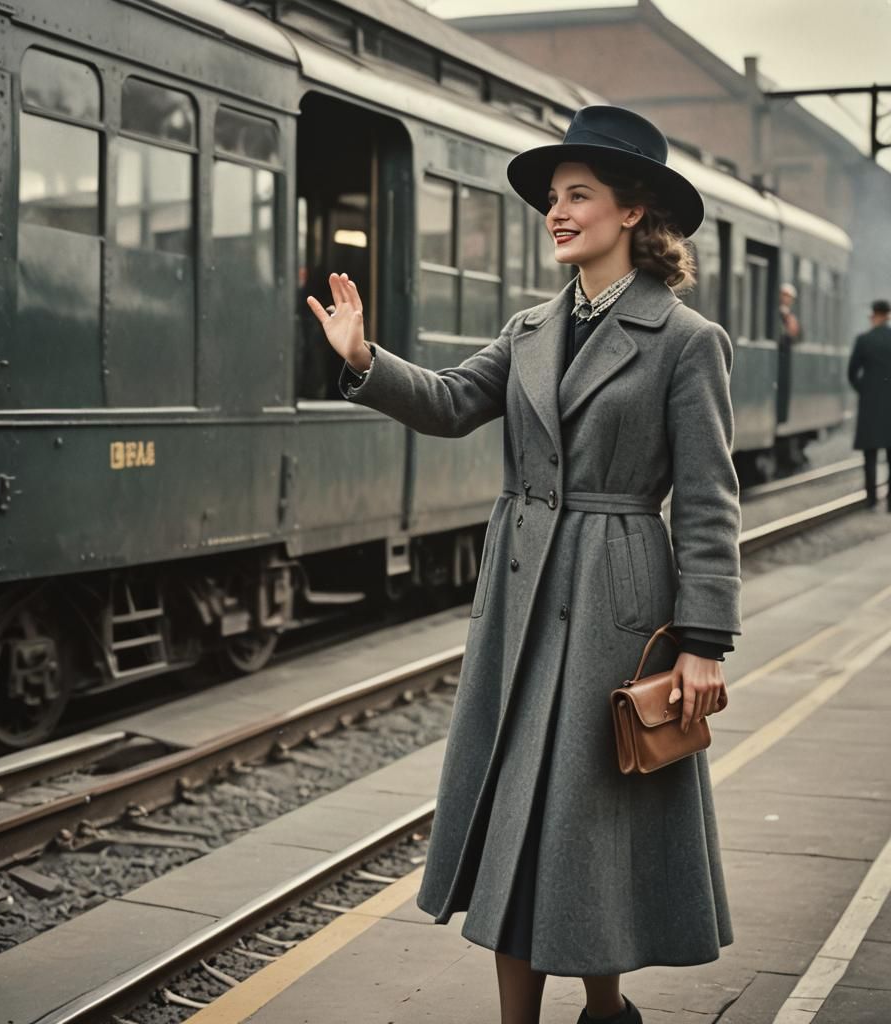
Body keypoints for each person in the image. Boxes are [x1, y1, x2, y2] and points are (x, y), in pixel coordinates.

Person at [308, 105, 740, 1024]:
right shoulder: (532, 327)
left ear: (632, 212)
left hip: (617, 597)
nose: (558, 212)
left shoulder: (687, 341)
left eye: (578, 195)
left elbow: (709, 498)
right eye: (553, 198)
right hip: (520, 589)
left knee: (590, 816)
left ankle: (606, 1010)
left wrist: (703, 639)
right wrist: (365, 360)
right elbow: (453, 401)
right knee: (517, 807)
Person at [847, 299, 891, 511]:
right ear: (888, 315)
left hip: (870, 406)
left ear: (875, 315)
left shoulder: (864, 340)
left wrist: (864, 390)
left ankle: (872, 499)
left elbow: (852, 373)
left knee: (870, 456)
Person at [777, 282, 800, 424]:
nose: (787, 299)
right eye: (785, 295)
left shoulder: (789, 315)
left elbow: (795, 335)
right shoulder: (780, 313)